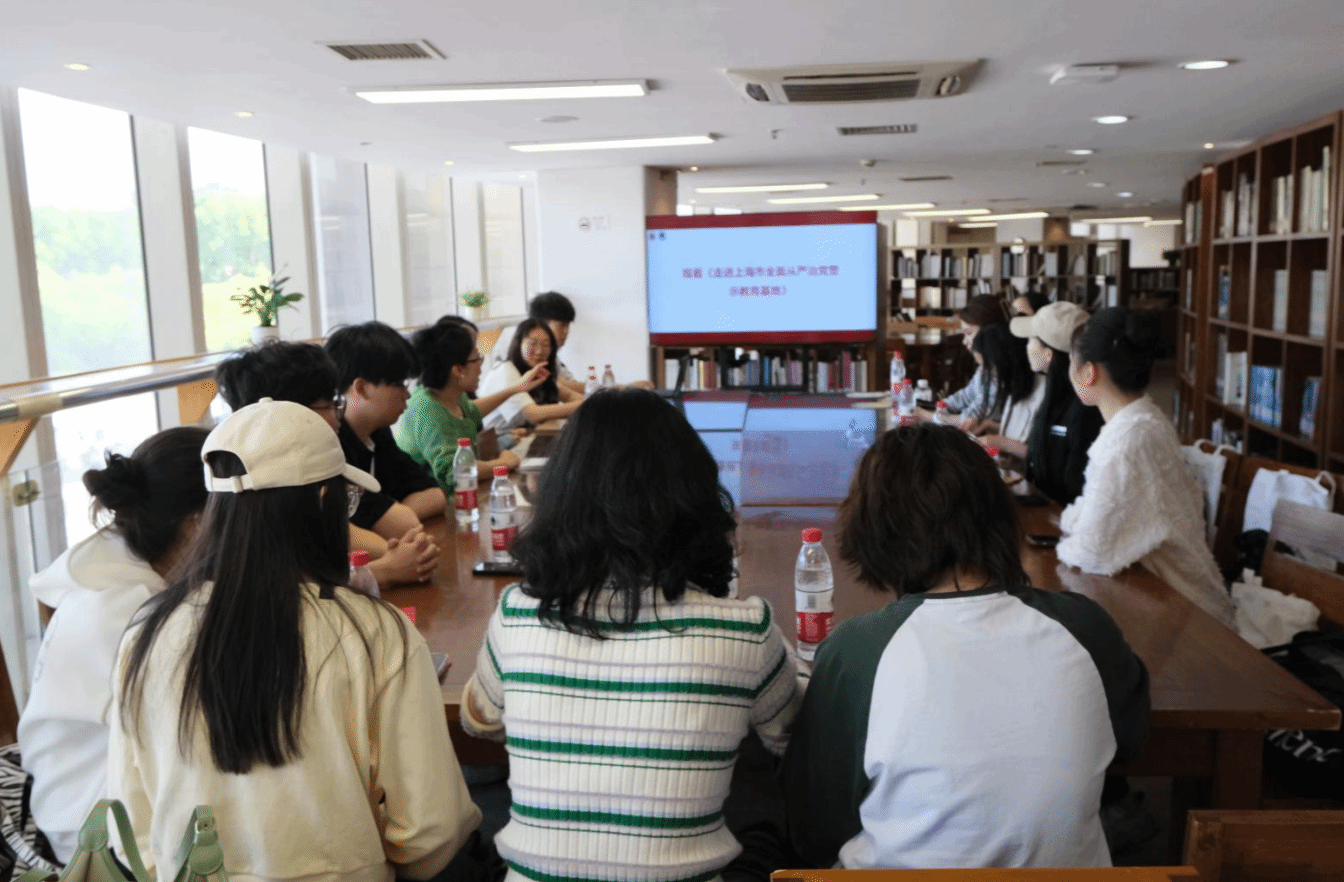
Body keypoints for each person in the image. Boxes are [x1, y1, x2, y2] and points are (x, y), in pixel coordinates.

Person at [109, 399, 482, 882]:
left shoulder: (147, 633)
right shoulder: (374, 633)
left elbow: (131, 829)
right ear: (325, 503)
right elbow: (430, 833)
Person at [460, 388, 802, 882]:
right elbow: (793, 734)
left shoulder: (517, 615)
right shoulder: (744, 631)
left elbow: (477, 720)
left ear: (559, 498)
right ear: (696, 499)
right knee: (763, 818)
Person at [782, 422, 1150, 870]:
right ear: (999, 515)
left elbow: (815, 827)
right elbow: (1131, 740)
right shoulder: (1084, 627)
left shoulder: (858, 651)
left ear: (873, 530)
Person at [18, 426, 209, 863]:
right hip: (94, 834)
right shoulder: (134, 612)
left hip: (68, 797)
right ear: (197, 524)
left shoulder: (113, 568)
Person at [1059, 307, 1234, 626]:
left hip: (1185, 615)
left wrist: (1072, 524)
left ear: (1088, 373)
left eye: (1071, 363)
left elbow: (1089, 552)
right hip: (1170, 598)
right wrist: (1078, 522)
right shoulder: (1145, 418)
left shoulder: (1126, 441)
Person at [215, 341, 438, 584]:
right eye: (331, 405)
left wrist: (393, 560)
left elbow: (341, 533)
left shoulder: (299, 474)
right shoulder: (260, 492)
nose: (337, 418)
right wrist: (387, 568)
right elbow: (289, 587)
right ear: (294, 414)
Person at [325, 322, 445, 536]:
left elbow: (435, 495)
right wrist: (394, 518)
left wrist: (394, 517)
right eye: (399, 384)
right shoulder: (329, 444)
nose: (407, 395)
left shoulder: (377, 433)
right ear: (361, 388)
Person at [397, 320, 547, 486]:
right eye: (477, 360)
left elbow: (471, 410)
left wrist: (516, 388)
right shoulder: (427, 411)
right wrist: (502, 464)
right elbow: (455, 472)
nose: (481, 368)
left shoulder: (448, 392)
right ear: (458, 370)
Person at [993, 302, 1105, 506]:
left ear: (1048, 354)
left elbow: (1075, 487)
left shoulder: (1082, 410)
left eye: (1031, 341)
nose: (1026, 347)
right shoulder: (1054, 392)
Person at [477, 318, 582, 435]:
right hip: (495, 443)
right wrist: (584, 405)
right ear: (519, 343)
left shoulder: (538, 371)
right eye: (533, 343)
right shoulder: (505, 369)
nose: (539, 351)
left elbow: (569, 396)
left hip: (523, 439)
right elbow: (534, 414)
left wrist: (590, 402)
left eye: (546, 345)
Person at [485, 291, 583, 395]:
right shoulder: (518, 352)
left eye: (568, 325)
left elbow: (567, 385)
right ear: (542, 323)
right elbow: (561, 384)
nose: (566, 331)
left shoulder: (549, 354)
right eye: (562, 325)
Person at [970, 321, 1046, 448]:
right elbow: (1016, 434)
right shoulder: (1014, 384)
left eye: (989, 368)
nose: (984, 375)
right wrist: (988, 425)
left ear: (1005, 361)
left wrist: (998, 442)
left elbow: (1040, 453)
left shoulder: (1043, 391)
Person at [938, 294, 1009, 430]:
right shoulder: (985, 367)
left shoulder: (1000, 373)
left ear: (989, 334)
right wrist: (943, 404)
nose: (964, 341)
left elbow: (972, 419)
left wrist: (930, 416)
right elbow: (967, 395)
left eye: (969, 333)